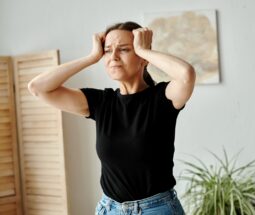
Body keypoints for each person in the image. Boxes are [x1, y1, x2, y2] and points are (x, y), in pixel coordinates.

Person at [28, 21, 196, 215]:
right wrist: (91, 57)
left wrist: (143, 49)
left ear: (143, 59)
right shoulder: (102, 102)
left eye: (124, 49)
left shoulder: (162, 98)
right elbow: (38, 88)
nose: (113, 57)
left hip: (157, 209)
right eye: (107, 50)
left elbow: (186, 75)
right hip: (110, 209)